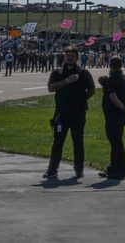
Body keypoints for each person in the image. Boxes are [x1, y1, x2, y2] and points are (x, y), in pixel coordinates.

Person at [43, 47, 96, 180]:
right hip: (61, 113)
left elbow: (91, 90)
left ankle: (79, 169)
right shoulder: (58, 72)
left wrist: (81, 100)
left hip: (78, 113)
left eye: (72, 56)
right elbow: (50, 88)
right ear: (64, 57)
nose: (70, 58)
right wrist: (67, 81)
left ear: (77, 58)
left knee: (78, 142)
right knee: (58, 142)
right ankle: (52, 169)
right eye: (68, 56)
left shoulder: (83, 73)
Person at [98, 56, 125, 180]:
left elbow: (113, 97)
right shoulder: (124, 78)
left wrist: (122, 107)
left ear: (110, 66)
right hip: (119, 116)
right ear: (121, 65)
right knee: (115, 142)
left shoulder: (112, 79)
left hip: (114, 115)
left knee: (116, 143)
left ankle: (120, 170)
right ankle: (113, 167)